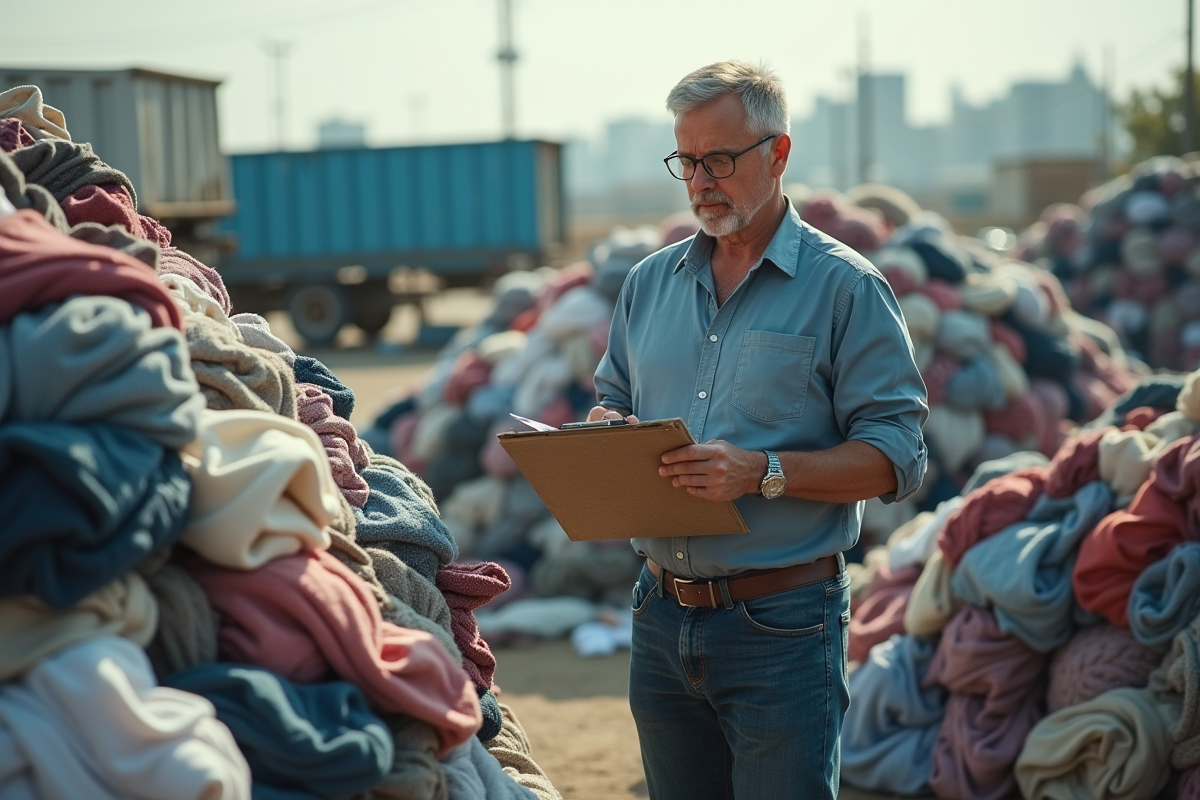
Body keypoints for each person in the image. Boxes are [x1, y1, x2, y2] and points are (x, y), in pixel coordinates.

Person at [588, 61, 928, 800]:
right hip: (658, 617)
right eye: (687, 161)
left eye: (720, 159)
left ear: (778, 155)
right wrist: (606, 428)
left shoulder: (847, 289)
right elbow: (611, 394)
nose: (701, 180)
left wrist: (764, 470)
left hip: (783, 626)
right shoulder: (649, 284)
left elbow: (899, 456)